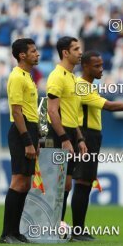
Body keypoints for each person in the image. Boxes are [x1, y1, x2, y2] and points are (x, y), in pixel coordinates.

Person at [71, 50, 123, 241]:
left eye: (102, 65)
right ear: (85, 66)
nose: (102, 69)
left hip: (90, 135)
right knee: (82, 182)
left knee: (84, 183)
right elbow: (109, 106)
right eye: (97, 66)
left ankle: (77, 229)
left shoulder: (87, 85)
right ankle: (77, 231)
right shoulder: (82, 86)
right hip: (85, 135)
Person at [0, 38, 40, 244]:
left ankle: (15, 232)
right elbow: (16, 112)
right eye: (33, 51)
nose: (37, 54)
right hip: (20, 131)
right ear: (22, 55)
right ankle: (7, 233)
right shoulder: (16, 77)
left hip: (30, 129)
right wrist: (27, 141)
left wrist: (35, 137)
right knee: (18, 181)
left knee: (25, 183)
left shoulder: (27, 76)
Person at [46, 36, 87, 225]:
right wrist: (64, 138)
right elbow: (52, 111)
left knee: (66, 183)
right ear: (65, 53)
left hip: (70, 133)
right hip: (58, 134)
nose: (80, 52)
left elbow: (71, 113)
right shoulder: (57, 76)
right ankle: (49, 224)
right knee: (57, 183)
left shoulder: (72, 78)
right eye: (76, 49)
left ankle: (58, 223)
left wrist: (79, 138)